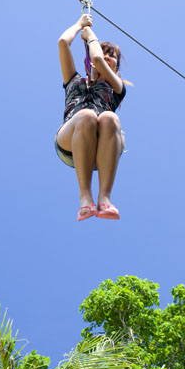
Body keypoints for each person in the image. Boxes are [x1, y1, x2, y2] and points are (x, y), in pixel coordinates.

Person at [55, 13, 127, 221]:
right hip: (72, 139)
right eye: (103, 52)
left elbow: (96, 58)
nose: (106, 56)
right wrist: (80, 25)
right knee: (86, 115)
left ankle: (105, 198)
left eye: (111, 55)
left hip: (104, 145)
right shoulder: (74, 80)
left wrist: (91, 37)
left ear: (116, 67)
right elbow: (62, 43)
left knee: (109, 118)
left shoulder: (116, 87)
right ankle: (85, 197)